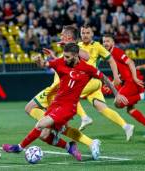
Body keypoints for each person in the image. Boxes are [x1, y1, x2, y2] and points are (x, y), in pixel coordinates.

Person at [2, 43, 128, 161]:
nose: (65, 58)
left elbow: (104, 78)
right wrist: (39, 61)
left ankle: (19, 147)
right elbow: (45, 65)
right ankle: (69, 146)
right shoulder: (60, 62)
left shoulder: (87, 69)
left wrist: (117, 94)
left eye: (67, 56)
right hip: (56, 103)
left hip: (68, 107)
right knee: (44, 136)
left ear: (75, 55)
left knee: (40, 124)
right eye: (64, 55)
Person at [24, 25, 102, 160]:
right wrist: (52, 57)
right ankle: (72, 140)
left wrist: (69, 43)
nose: (60, 36)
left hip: (58, 91)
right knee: (33, 112)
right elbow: (58, 68)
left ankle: (87, 142)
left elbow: (87, 56)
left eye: (62, 34)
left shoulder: (73, 48)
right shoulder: (65, 51)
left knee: (43, 121)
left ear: (68, 36)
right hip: (54, 89)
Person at [76, 25, 134, 141]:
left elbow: (111, 60)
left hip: (91, 80)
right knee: (102, 108)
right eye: (83, 33)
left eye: (88, 33)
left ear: (92, 34)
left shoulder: (97, 46)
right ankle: (126, 126)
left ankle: (84, 117)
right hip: (88, 81)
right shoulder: (78, 46)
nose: (85, 35)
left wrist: (116, 76)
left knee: (69, 94)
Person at [103, 34, 145, 136]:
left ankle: (143, 96)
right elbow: (121, 72)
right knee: (130, 109)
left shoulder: (116, 51)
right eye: (104, 41)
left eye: (108, 41)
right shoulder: (109, 54)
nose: (105, 43)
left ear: (113, 42)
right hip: (129, 80)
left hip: (133, 80)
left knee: (118, 102)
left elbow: (130, 63)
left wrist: (135, 78)